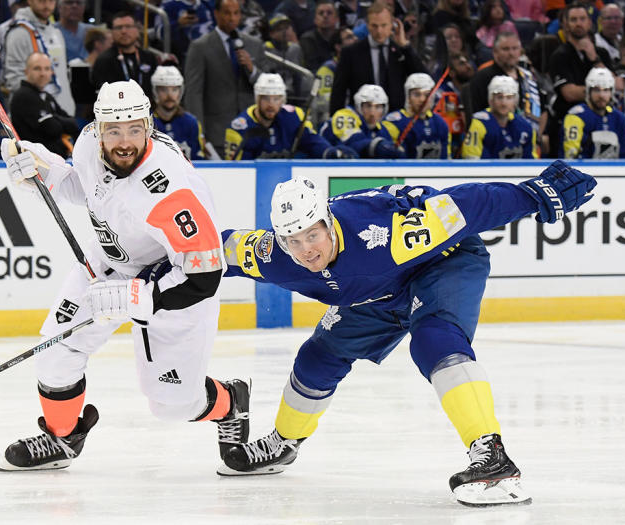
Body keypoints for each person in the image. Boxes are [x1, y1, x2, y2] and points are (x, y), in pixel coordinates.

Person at [216, 161, 598, 508]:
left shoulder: (386, 233)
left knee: (434, 340)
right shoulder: (273, 255)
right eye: (293, 241)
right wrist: (162, 257)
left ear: (329, 223)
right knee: (319, 355)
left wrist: (535, 194)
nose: (306, 251)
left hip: (442, 263)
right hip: (380, 291)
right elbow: (219, 249)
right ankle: (284, 443)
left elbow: (471, 204)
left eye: (312, 235)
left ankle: (491, 454)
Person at [0, 80, 250, 472]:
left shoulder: (173, 191)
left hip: (171, 286)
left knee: (172, 405)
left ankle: (230, 403)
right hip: (106, 266)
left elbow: (205, 276)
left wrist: (144, 296)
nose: (124, 141)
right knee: (55, 353)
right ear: (98, 129)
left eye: (134, 128)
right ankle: (62, 438)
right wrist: (40, 168)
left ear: (149, 126)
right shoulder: (87, 144)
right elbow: (84, 187)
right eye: (113, 130)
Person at [184, 0, 267, 157]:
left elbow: (267, 86)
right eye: (227, 13)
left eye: (236, 13)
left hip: (252, 132)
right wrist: (198, 132)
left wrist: (252, 69)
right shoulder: (200, 47)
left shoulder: (254, 45)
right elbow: (193, 93)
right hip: (217, 134)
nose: (232, 18)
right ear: (216, 14)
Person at [224, 73, 352, 159]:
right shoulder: (240, 128)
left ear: (283, 100)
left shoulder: (294, 116)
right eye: (266, 98)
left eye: (276, 99)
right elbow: (236, 170)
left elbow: (312, 141)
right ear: (257, 99)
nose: (271, 104)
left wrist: (329, 152)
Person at [330, 2, 427, 114]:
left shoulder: (401, 51)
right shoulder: (351, 52)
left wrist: (405, 46)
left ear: (392, 24)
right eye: (374, 26)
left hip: (396, 120)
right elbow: (338, 92)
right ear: (367, 25)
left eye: (384, 25)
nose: (379, 31)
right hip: (362, 119)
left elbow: (423, 79)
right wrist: (336, 121)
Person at [545, 4, 614, 158]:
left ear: (590, 22)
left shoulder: (601, 53)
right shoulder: (560, 55)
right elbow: (569, 93)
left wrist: (593, 58)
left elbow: (615, 85)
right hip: (567, 123)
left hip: (601, 121)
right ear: (565, 25)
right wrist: (601, 90)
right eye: (573, 19)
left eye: (582, 19)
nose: (578, 23)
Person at [3, 0, 75, 117]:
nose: (46, 5)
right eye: (41, 1)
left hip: (61, 112)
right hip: (32, 116)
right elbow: (14, 78)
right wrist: (38, 107)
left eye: (51, 1)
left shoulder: (56, 33)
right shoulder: (19, 33)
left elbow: (62, 75)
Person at [10, 52, 80, 157]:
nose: (43, 73)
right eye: (37, 68)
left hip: (54, 161)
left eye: (47, 69)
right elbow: (52, 129)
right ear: (26, 71)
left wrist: (54, 117)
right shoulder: (24, 96)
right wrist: (57, 121)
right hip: (33, 162)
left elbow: (73, 124)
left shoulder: (46, 96)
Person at [561, 67, 625, 159]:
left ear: (611, 92)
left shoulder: (622, 120)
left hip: (615, 172)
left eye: (606, 90)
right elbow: (570, 156)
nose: (601, 95)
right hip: (582, 171)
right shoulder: (576, 117)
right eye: (596, 90)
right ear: (588, 91)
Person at [462, 75, 538, 159]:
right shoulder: (479, 124)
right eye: (499, 97)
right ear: (491, 100)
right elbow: (471, 161)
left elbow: (531, 162)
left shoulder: (525, 127)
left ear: (515, 101)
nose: (504, 103)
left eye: (509, 97)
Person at [320, 83, 404, 158]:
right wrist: (377, 146)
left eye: (378, 107)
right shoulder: (344, 116)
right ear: (358, 106)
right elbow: (353, 144)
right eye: (368, 106)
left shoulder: (381, 128)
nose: (372, 113)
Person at [379, 72, 452, 159]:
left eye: (427, 94)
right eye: (417, 94)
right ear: (408, 97)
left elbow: (446, 159)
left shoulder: (440, 123)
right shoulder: (394, 123)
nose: (422, 99)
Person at [92, 12, 160, 97]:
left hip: (146, 107)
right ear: (112, 32)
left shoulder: (148, 57)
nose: (123, 31)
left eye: (128, 27)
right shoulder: (104, 60)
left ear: (137, 30)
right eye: (119, 28)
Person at [151, 66, 208, 160]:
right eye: (163, 89)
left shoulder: (191, 123)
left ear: (180, 91)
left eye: (174, 89)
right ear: (155, 91)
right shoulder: (146, 123)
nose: (169, 95)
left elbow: (198, 160)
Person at [299, 0, 340, 73]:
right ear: (315, 19)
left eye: (329, 13)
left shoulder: (342, 36)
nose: (325, 16)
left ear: (337, 19)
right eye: (321, 13)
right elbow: (313, 69)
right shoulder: (308, 39)